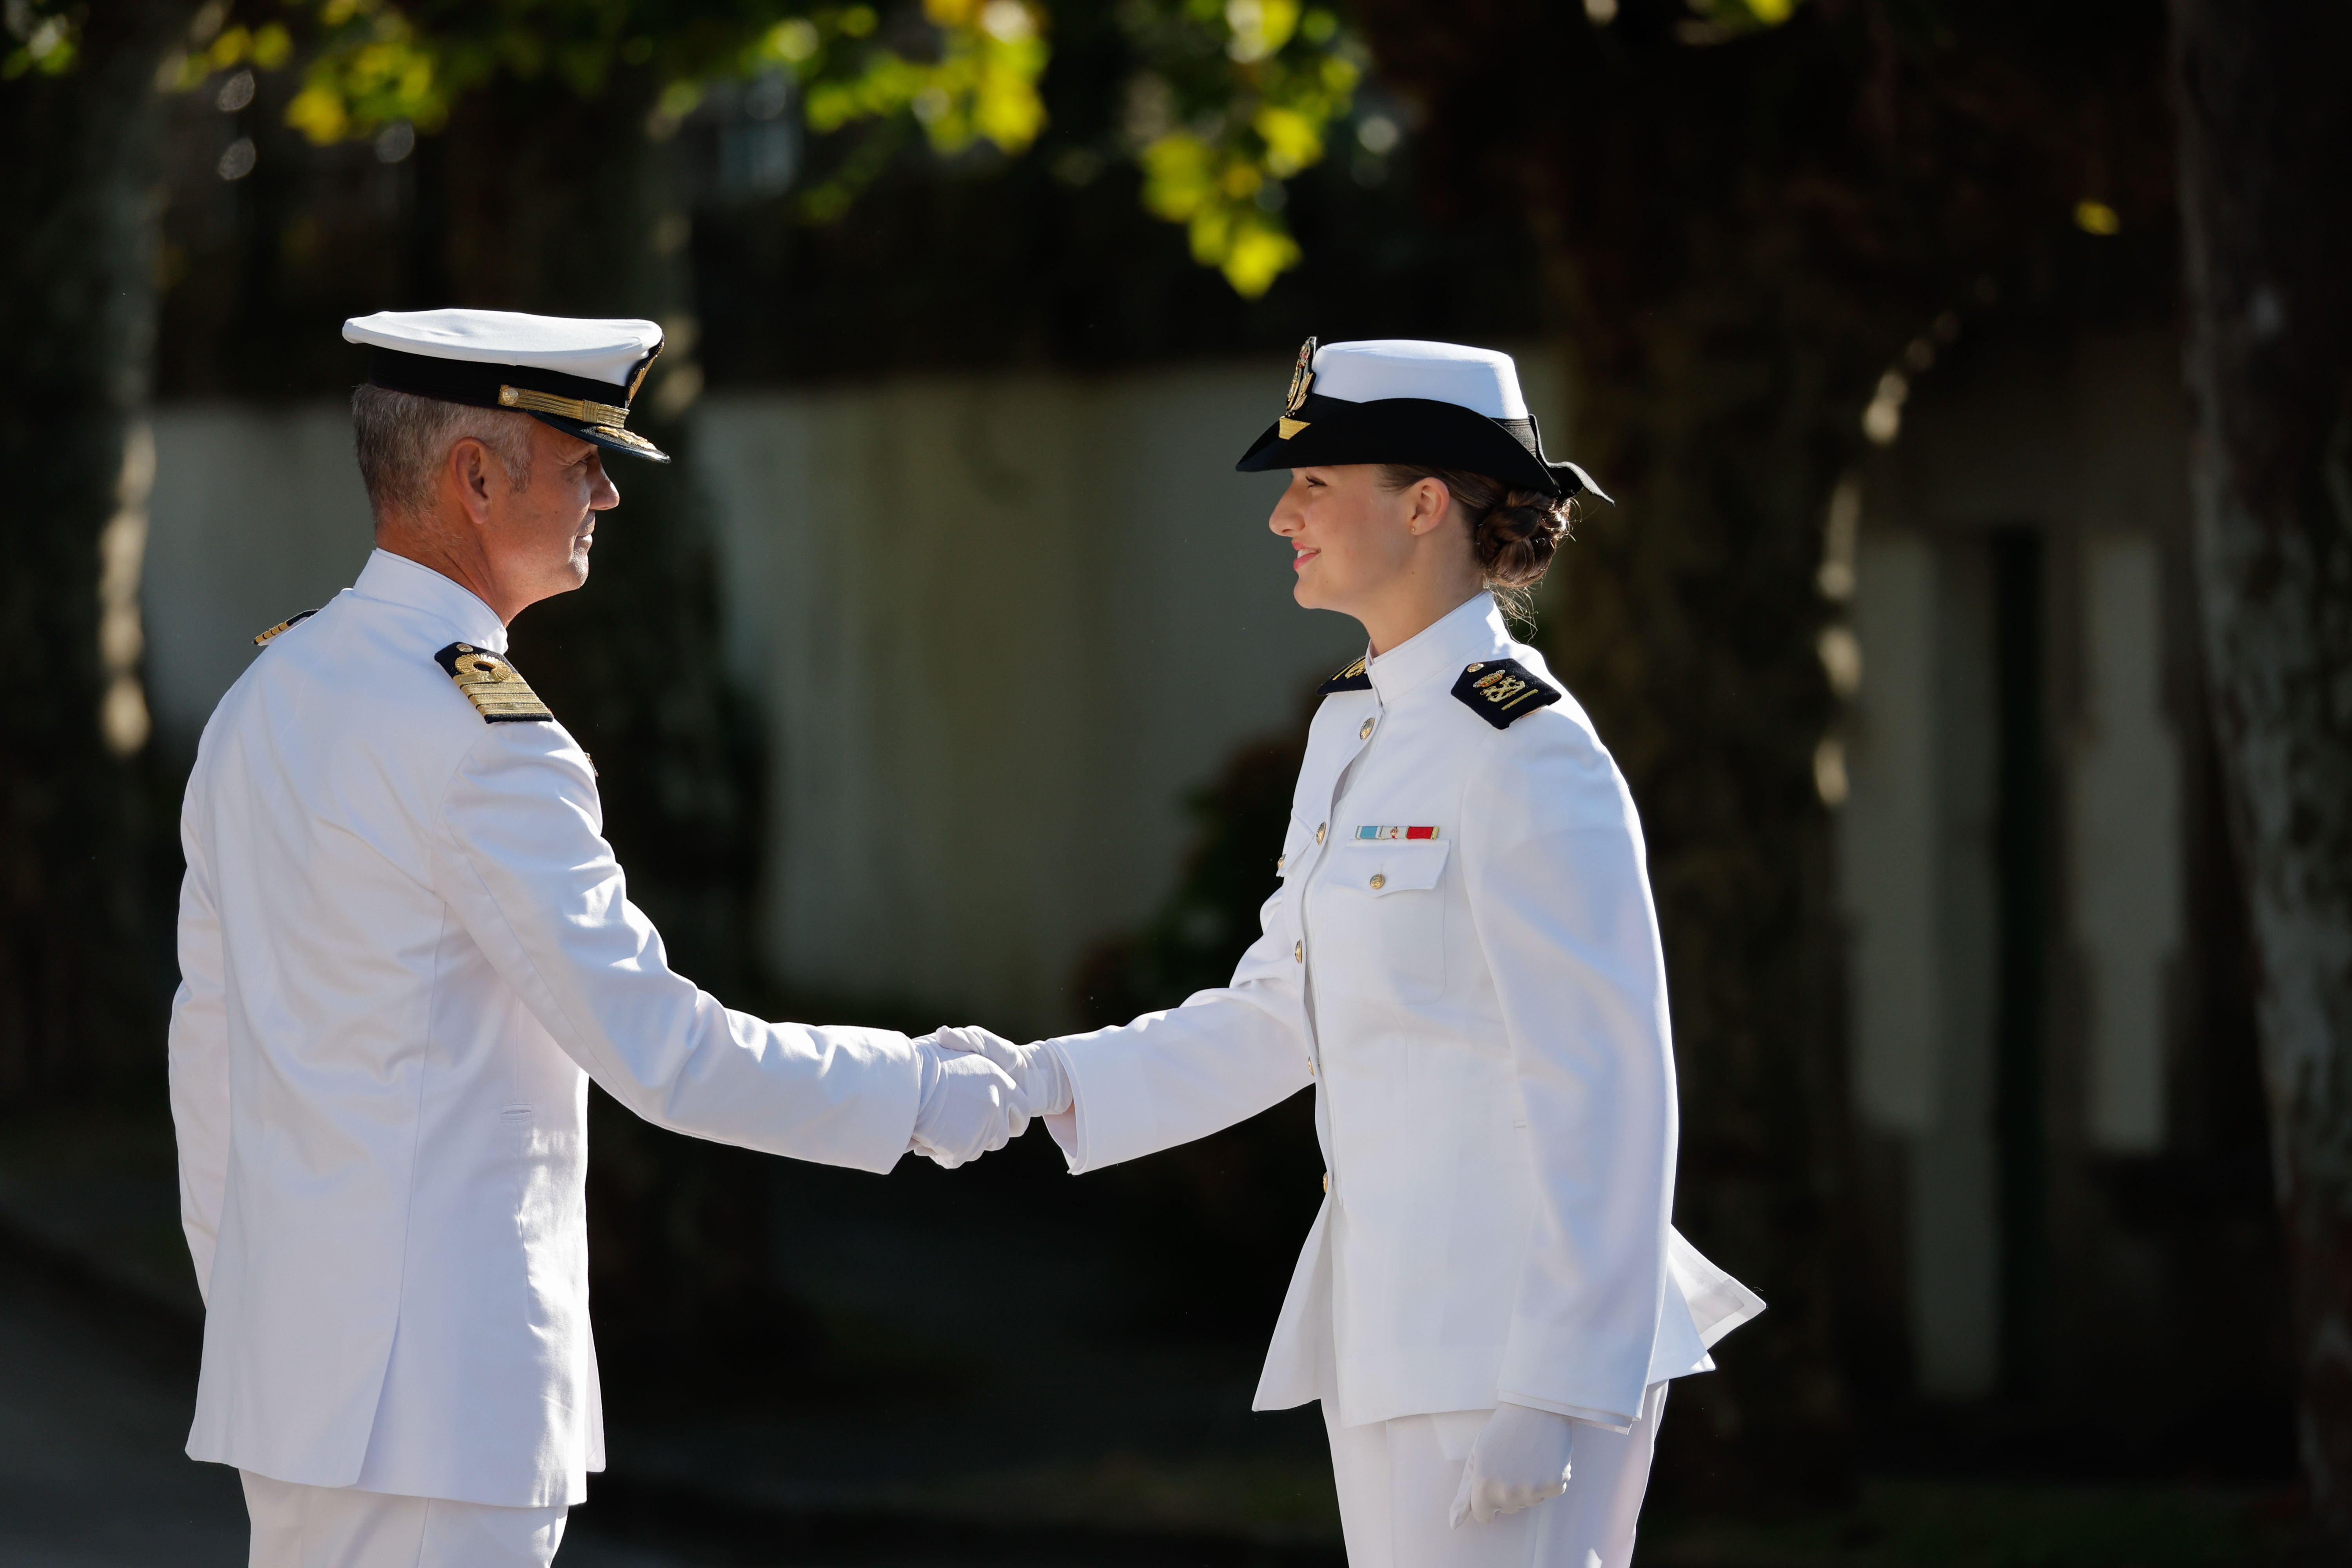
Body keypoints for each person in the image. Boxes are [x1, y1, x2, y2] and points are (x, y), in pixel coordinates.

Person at [166, 308, 1029, 1568]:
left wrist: (257, 1303)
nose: (609, 495)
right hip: (443, 1406)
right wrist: (926, 1092)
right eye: (582, 461)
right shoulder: (486, 740)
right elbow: (665, 1054)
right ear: (474, 477)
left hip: (294, 1380)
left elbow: (211, 1055)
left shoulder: (270, 694)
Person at [938, 339, 1766, 1568]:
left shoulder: (1526, 746)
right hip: (1391, 1334)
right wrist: (1049, 1084)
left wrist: (1554, 1383)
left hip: (1511, 1347)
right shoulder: (1359, 730)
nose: (1282, 515)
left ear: (1425, 504)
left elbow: (1609, 1084)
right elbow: (1282, 1016)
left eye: (1315, 484)